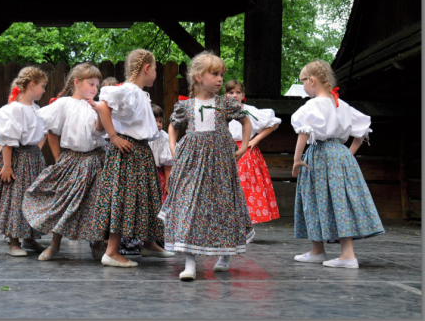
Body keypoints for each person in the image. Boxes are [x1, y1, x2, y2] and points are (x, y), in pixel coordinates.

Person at [159, 51, 254, 280]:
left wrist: (244, 147)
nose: (220, 79)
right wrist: (173, 148)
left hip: (220, 162)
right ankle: (190, 262)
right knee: (190, 206)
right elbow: (173, 125)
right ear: (200, 77)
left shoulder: (225, 104)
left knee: (221, 207)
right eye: (215, 74)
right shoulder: (186, 105)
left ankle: (225, 253)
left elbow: (246, 120)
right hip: (192, 162)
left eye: (222, 74)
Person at [290, 59, 383, 269]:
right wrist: (347, 154)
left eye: (303, 81)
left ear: (312, 81)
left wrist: (297, 159)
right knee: (338, 200)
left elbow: (303, 132)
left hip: (320, 154)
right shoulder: (340, 104)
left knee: (318, 198)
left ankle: (347, 255)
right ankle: (318, 250)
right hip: (340, 154)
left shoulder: (314, 104)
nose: (303, 86)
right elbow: (361, 132)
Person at [85, 49, 173, 267]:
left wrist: (105, 123)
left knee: (146, 197)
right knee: (124, 198)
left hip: (140, 151)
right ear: (146, 68)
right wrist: (113, 137)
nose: (155, 73)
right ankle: (112, 251)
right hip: (128, 151)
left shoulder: (139, 94)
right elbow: (104, 106)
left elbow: (102, 114)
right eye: (154, 69)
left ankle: (149, 242)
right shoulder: (129, 90)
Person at [22, 62, 106, 261]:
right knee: (63, 200)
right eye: (91, 84)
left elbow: (99, 130)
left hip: (95, 159)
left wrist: (101, 112)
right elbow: (48, 126)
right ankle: (55, 244)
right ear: (77, 83)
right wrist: (58, 157)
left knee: (97, 203)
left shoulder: (96, 106)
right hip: (71, 159)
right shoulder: (64, 104)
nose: (95, 88)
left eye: (97, 85)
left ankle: (98, 244)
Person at [0, 66, 49, 256]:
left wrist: (37, 149)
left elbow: (43, 132)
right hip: (15, 160)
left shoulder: (35, 109)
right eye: (42, 86)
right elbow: (3, 137)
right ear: (32, 85)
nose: (44, 90)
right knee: (14, 199)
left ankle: (30, 237)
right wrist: (5, 163)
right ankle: (14, 242)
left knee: (33, 198)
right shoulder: (13, 110)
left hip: (33, 159)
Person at [224, 79, 282, 224]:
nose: (234, 95)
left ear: (243, 95)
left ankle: (245, 225)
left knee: (246, 189)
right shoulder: (221, 110)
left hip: (245, 153)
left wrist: (255, 140)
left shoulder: (249, 110)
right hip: (225, 151)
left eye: (238, 92)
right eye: (231, 92)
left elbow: (274, 122)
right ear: (225, 95)